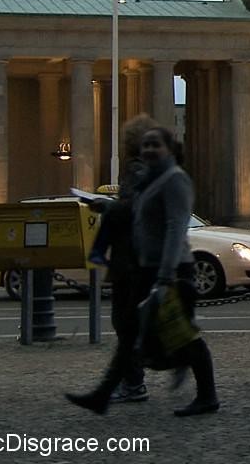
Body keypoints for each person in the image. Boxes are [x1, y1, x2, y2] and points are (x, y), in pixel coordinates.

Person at [68, 126, 219, 417]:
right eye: (145, 145)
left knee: (183, 335)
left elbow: (177, 227)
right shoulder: (152, 179)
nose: (148, 150)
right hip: (148, 266)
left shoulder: (175, 180)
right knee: (132, 331)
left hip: (170, 268)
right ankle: (104, 394)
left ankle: (206, 394)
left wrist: (166, 275)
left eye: (155, 145)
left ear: (170, 149)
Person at [85, 114, 158, 405]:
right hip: (138, 254)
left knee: (124, 322)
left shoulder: (136, 169)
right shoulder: (153, 169)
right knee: (130, 323)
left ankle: (132, 382)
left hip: (131, 256)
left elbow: (134, 209)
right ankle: (130, 380)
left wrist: (107, 206)